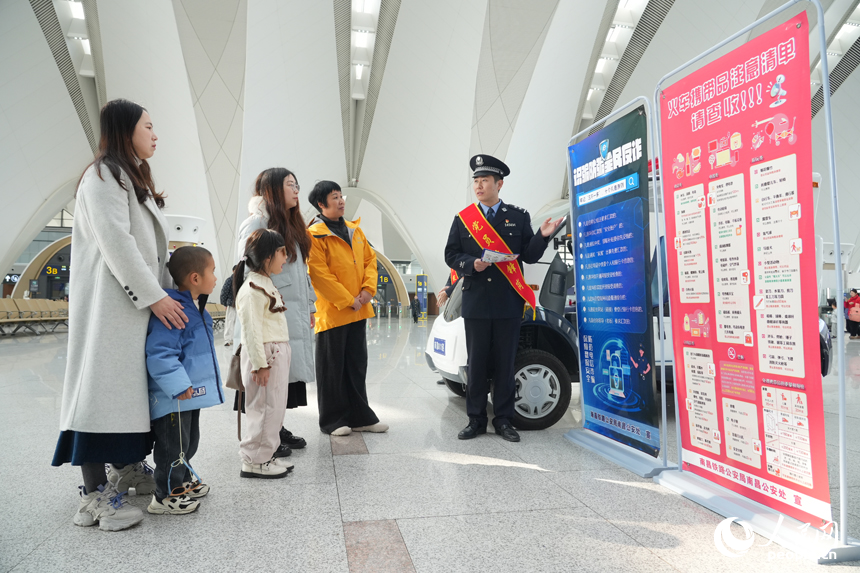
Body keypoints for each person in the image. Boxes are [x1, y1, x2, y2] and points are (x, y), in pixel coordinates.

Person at [52, 99, 188, 531]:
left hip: (130, 310)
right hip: (112, 310)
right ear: (125, 129)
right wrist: (154, 296)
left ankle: (125, 466)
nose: (155, 134)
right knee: (99, 395)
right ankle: (93, 496)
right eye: (148, 126)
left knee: (124, 395)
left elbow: (146, 247)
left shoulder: (128, 177)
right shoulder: (102, 176)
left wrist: (170, 288)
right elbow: (118, 244)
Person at [445, 154, 561, 443]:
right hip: (476, 303)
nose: (479, 185)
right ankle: (475, 420)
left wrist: (543, 237)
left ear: (499, 184)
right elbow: (451, 254)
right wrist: (472, 264)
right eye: (476, 180)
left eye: (485, 180)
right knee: (477, 364)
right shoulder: (463, 219)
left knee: (505, 363)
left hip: (508, 301)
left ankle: (505, 420)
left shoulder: (518, 216)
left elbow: (530, 254)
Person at [235, 167, 314, 454]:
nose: (296, 190)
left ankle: (275, 429)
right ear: (273, 190)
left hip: (289, 311)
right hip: (267, 313)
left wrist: (311, 305)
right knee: (266, 378)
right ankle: (262, 438)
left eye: (297, 184)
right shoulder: (258, 221)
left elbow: (303, 274)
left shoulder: (289, 224)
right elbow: (247, 270)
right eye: (290, 185)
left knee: (283, 378)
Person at [145, 246, 224, 514]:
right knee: (172, 447)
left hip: (189, 394)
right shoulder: (176, 311)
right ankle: (165, 496)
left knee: (188, 443)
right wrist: (178, 385)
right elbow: (160, 354)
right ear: (194, 278)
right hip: (174, 397)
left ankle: (183, 481)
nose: (215, 277)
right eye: (211, 271)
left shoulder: (194, 309)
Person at [307, 181, 387, 436]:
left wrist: (366, 292)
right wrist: (347, 299)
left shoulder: (355, 230)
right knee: (332, 368)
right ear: (321, 204)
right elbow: (319, 274)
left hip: (358, 309)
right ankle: (333, 420)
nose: (341, 201)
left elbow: (370, 262)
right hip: (333, 313)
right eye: (335, 197)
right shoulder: (314, 235)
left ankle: (360, 417)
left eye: (341, 196)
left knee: (356, 365)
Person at [234, 228, 294, 478]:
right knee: (265, 407)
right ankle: (254, 459)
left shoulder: (265, 283)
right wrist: (259, 364)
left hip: (275, 352)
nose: (285, 257)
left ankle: (266, 455)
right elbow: (250, 332)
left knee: (275, 406)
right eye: (282, 252)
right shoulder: (251, 289)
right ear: (268, 256)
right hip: (266, 355)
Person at [220, 266, 236, 346]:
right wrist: (224, 303)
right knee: (230, 321)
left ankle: (233, 338)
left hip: (239, 304)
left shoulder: (241, 280)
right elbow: (224, 292)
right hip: (231, 304)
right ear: (233, 271)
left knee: (236, 322)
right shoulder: (230, 280)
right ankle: (227, 340)